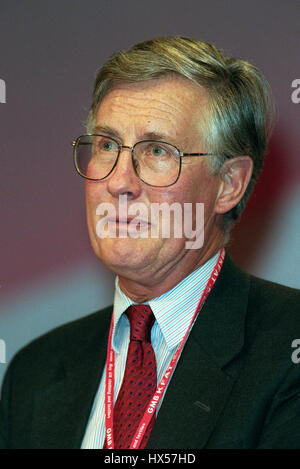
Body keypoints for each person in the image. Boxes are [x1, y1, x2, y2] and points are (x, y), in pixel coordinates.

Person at [0, 36, 299, 450]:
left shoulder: (288, 351)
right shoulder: (35, 372)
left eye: (157, 150)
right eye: (106, 145)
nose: (118, 181)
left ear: (229, 184)